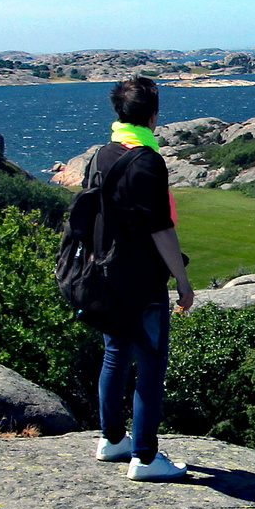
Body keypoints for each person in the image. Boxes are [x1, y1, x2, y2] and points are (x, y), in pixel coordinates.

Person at [90, 76, 197, 480]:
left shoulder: (103, 153)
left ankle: (112, 438)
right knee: (150, 365)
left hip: (106, 273)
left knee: (115, 355)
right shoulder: (148, 160)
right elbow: (161, 228)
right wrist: (182, 281)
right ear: (152, 116)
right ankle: (146, 457)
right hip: (142, 279)